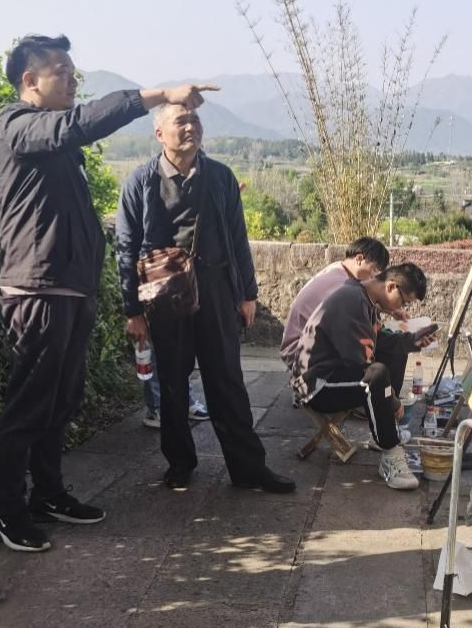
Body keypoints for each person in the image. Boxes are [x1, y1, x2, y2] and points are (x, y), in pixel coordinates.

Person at [0, 34, 216, 551]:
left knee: (61, 399)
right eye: (62, 72)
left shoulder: (53, 141)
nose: (72, 81)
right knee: (28, 404)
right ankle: (8, 511)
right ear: (30, 80)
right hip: (36, 289)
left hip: (70, 289)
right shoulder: (14, 126)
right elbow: (78, 124)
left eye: (74, 72)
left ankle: (47, 493)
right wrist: (159, 95)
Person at [116, 102, 296, 494]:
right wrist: (133, 310)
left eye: (195, 120)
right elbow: (126, 250)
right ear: (159, 133)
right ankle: (180, 463)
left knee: (227, 380)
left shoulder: (219, 176)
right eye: (180, 121)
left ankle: (249, 468)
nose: (191, 126)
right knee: (173, 383)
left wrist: (248, 294)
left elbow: (238, 238)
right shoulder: (141, 181)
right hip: (165, 295)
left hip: (216, 289)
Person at [289, 263, 432, 491]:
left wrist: (413, 341)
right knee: (377, 375)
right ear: (391, 287)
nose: (401, 308)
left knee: (397, 352)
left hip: (336, 372)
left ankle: (383, 430)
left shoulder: (364, 298)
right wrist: (392, 400)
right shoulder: (351, 301)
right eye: (404, 302)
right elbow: (361, 363)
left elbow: (378, 340)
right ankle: (391, 455)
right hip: (316, 385)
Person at [279, 236, 391, 370]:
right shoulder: (340, 283)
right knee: (369, 355)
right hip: (298, 352)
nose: (374, 277)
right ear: (359, 259)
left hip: (309, 345)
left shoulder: (340, 269)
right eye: (374, 270)